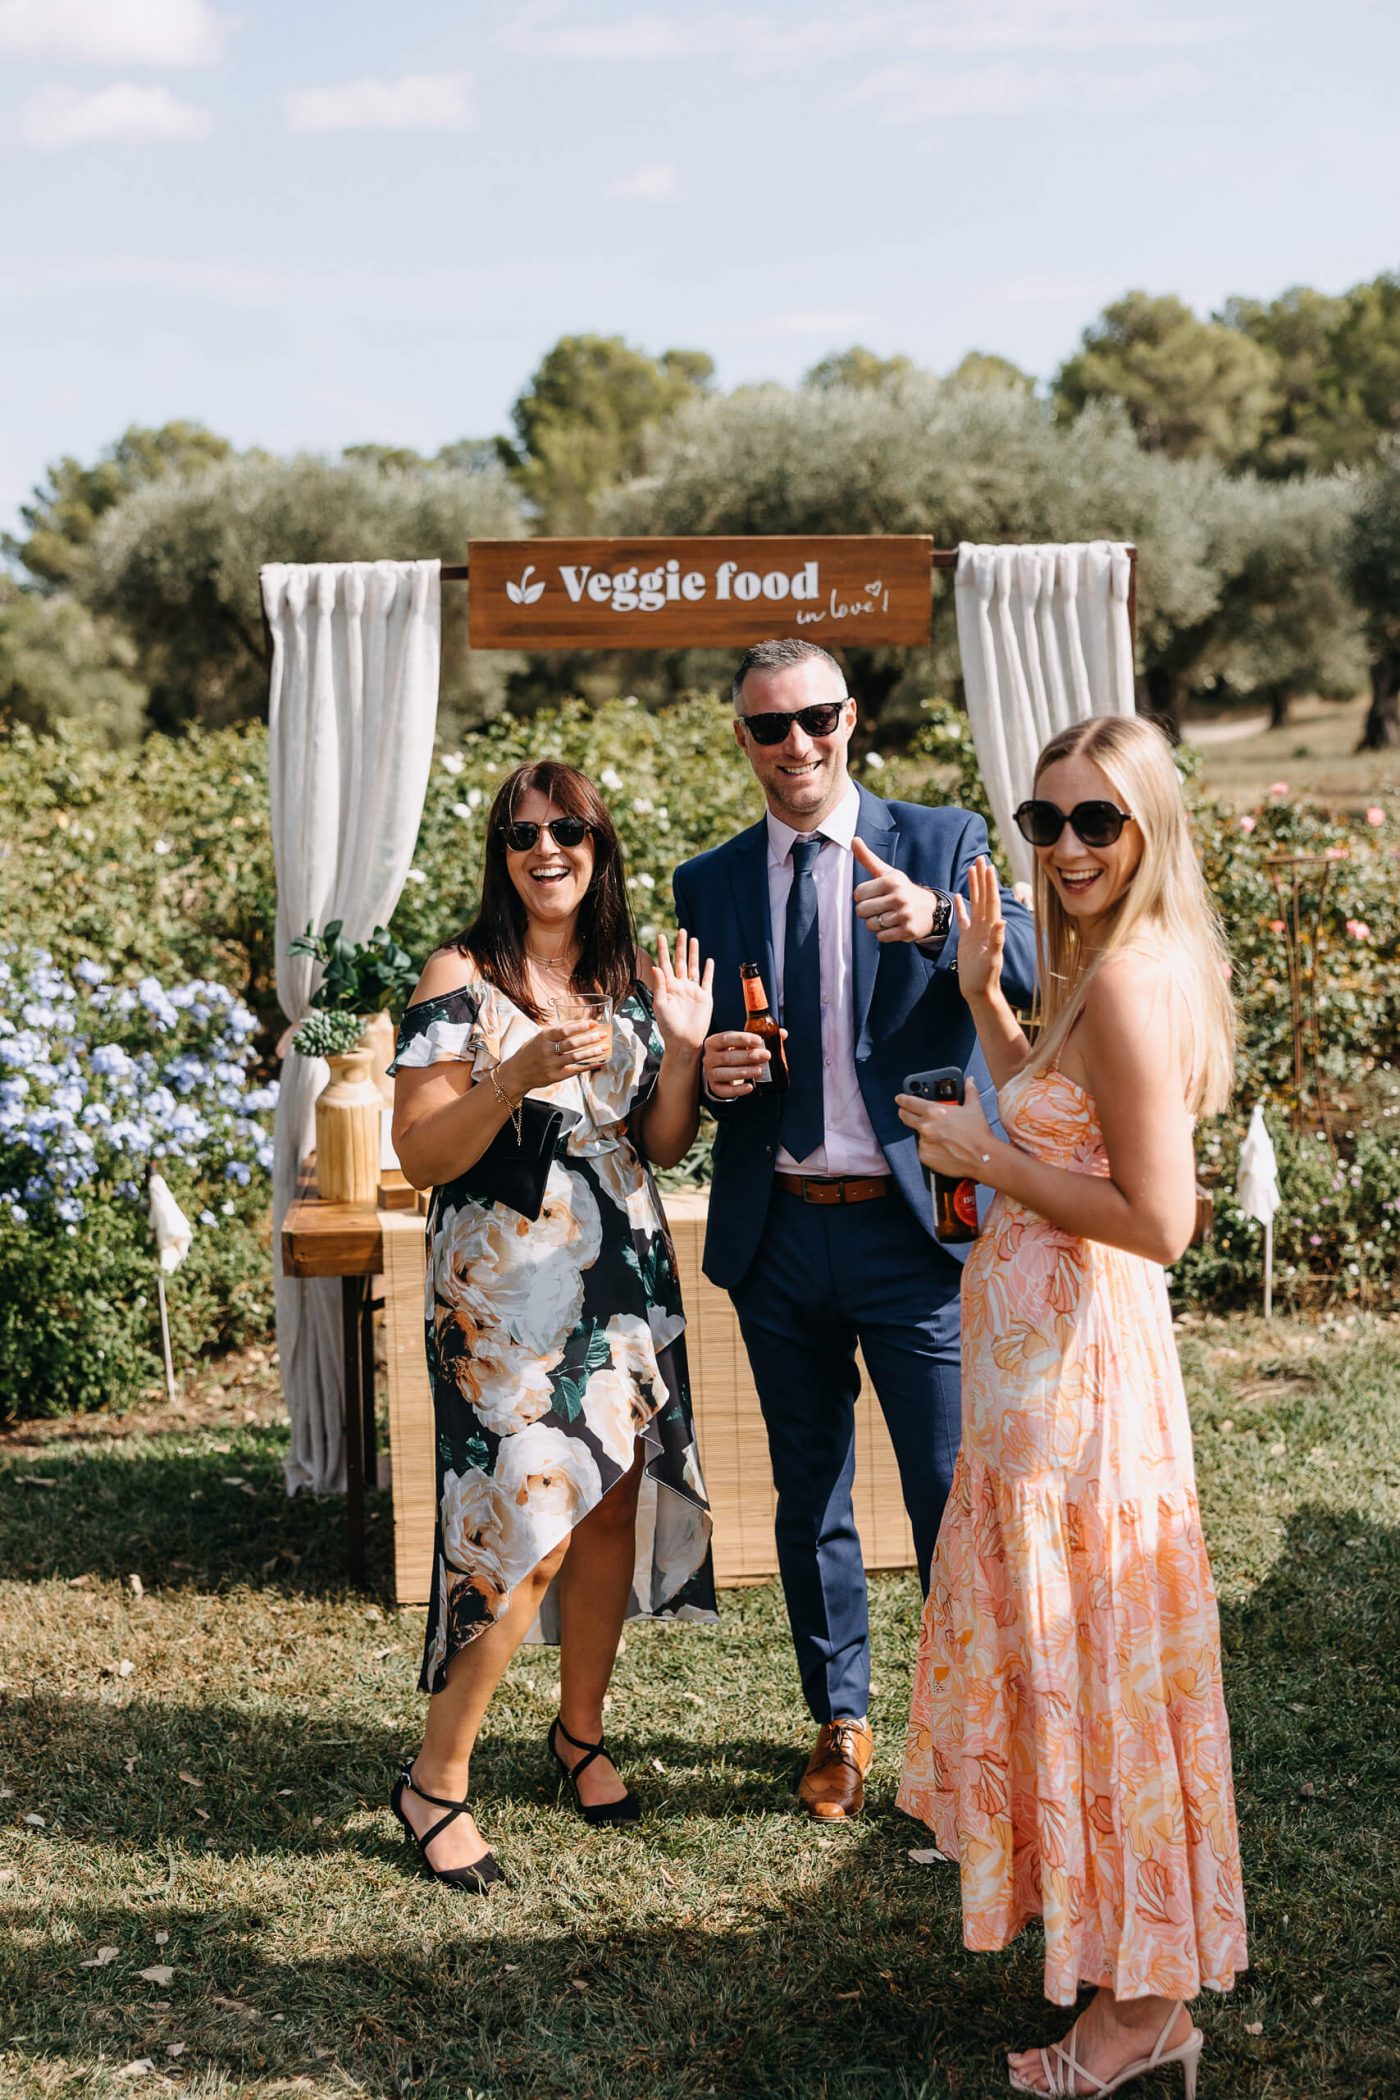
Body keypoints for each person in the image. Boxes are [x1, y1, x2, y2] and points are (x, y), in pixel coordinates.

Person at [895, 714, 1247, 2096]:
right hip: (1047, 1389)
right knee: (1084, 1669)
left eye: (1098, 820)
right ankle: (1127, 1977)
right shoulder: (1102, 971)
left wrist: (982, 1156)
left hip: (1081, 1396)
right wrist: (986, 1002)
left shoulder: (1131, 980)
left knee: (1099, 1667)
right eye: (1046, 822)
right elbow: (1062, 1109)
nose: (1068, 847)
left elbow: (1158, 1219)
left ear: (1149, 826)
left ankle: (1142, 2007)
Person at [671, 637, 1036, 1820]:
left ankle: (964, 1730)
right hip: (776, 1230)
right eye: (769, 726)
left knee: (946, 1492)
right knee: (807, 1490)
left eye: (814, 719)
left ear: (850, 718)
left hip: (911, 1231)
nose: (796, 745)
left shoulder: (939, 842)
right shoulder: (707, 882)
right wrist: (711, 1069)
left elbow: (1040, 965)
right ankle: (840, 1719)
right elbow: (698, 1041)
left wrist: (937, 924)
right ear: (742, 739)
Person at [388, 760, 717, 1890]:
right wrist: (513, 1074)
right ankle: (434, 1780)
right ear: (501, 853)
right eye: (523, 833)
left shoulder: (626, 977)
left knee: (610, 1499)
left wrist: (681, 1049)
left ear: (597, 845)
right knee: (523, 1529)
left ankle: (579, 1734)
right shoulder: (460, 975)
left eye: (567, 830)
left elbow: (658, 1143)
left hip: (620, 1278)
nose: (546, 850)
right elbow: (420, 1154)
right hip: (503, 1300)